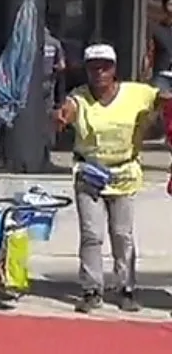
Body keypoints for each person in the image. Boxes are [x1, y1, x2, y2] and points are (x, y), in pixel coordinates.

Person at [54, 43, 171, 314]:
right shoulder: (80, 97)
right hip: (90, 174)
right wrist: (61, 117)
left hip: (124, 173)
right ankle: (91, 290)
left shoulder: (135, 93)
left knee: (122, 235)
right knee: (92, 235)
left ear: (114, 69)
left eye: (105, 67)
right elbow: (68, 109)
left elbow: (162, 96)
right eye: (93, 67)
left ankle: (125, 289)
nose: (99, 73)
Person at [144, 0, 172, 89]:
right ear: (165, 8)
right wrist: (147, 70)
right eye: (170, 4)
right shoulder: (157, 29)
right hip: (162, 73)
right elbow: (150, 51)